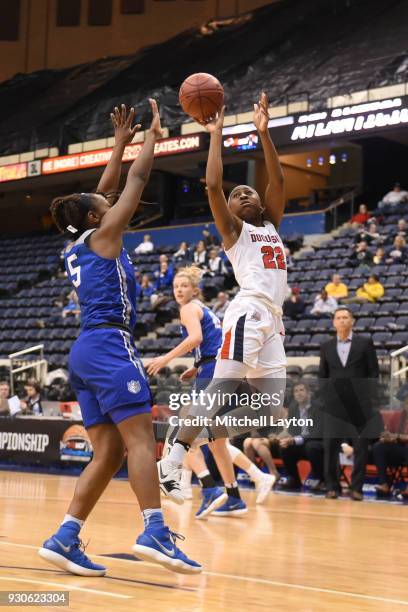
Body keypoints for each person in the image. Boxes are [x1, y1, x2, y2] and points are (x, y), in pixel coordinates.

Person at [41, 101, 201, 576]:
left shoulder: (79, 241)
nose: (107, 203)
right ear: (97, 220)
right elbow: (132, 184)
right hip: (110, 345)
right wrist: (152, 138)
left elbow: (104, 190)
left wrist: (117, 145)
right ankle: (154, 530)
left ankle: (65, 537)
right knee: (139, 440)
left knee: (108, 451)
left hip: (84, 352)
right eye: (102, 207)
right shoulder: (105, 236)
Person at [158, 92, 287, 501]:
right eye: (238, 195)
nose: (245, 194)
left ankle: (194, 437)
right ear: (230, 211)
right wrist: (216, 134)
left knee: (269, 406)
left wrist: (263, 134)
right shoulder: (235, 233)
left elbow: (278, 181)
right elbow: (214, 184)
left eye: (251, 192)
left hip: (273, 321)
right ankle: (174, 458)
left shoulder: (273, 225)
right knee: (220, 391)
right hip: (248, 312)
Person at [147, 266, 276, 513]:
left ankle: (208, 487)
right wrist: (196, 366)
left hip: (212, 372)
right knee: (217, 441)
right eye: (175, 287)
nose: (179, 290)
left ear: (195, 290)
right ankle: (234, 497)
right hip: (221, 368)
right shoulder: (205, 310)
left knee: (183, 431)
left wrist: (165, 359)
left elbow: (195, 338)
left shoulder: (188, 309)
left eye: (184, 286)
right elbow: (212, 343)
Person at [319, 307, 382, 501]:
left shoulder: (365, 343)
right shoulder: (326, 346)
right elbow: (323, 375)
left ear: (352, 321)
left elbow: (373, 372)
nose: (342, 320)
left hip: (360, 404)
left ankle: (357, 488)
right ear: (334, 322)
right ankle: (332, 487)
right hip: (334, 406)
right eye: (339, 318)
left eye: (346, 317)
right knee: (330, 446)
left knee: (361, 447)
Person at [277, 381, 324, 493]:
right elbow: (292, 430)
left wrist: (295, 439)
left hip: (318, 441)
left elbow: (317, 433)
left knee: (311, 447)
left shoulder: (318, 407)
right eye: (296, 391)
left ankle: (320, 479)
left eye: (301, 390)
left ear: (308, 393)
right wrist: (286, 437)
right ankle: (293, 479)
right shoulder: (293, 408)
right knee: (284, 446)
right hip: (301, 441)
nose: (298, 393)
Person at [372, 395, 408, 497]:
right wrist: (386, 438)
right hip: (397, 448)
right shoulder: (397, 416)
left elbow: (397, 436)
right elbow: (387, 433)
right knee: (378, 446)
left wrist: (396, 436)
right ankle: (384, 484)